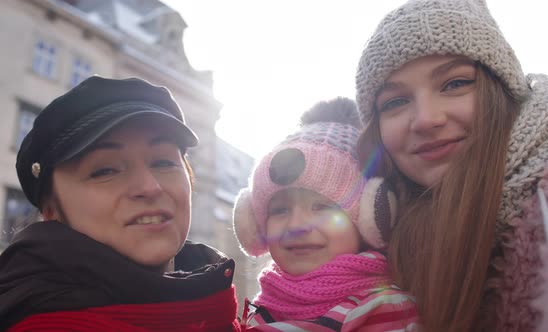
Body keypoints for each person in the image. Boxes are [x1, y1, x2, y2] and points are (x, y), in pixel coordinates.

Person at [354, 0, 548, 330]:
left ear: (503, 89)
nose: (426, 119)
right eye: (395, 101)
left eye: (455, 83)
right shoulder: (380, 233)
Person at [0, 76, 241, 331]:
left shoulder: (219, 309)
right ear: (51, 211)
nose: (149, 187)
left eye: (163, 162)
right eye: (105, 170)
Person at [233, 97, 418, 331]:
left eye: (323, 207)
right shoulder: (265, 304)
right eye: (280, 209)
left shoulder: (383, 309)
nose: (297, 225)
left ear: (370, 217)